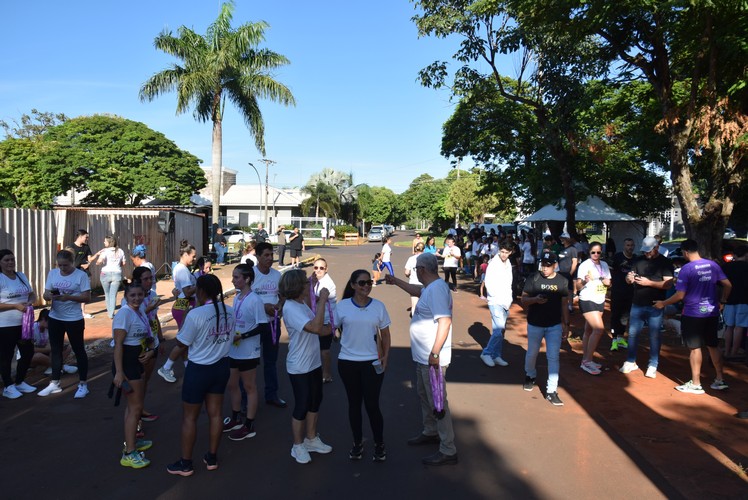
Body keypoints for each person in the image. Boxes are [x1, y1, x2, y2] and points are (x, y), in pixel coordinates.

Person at [385, 253, 458, 466]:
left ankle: (448, 449)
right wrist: (396, 281)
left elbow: (445, 322)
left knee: (438, 402)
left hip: (432, 359)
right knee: (424, 395)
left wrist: (435, 353)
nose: (415, 271)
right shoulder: (430, 288)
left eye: (417, 268)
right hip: (423, 358)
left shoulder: (437, 290)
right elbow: (418, 291)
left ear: (422, 270)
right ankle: (431, 431)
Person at [166, 274, 235, 476]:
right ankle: (211, 457)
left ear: (201, 291)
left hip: (199, 369)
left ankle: (186, 463)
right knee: (216, 413)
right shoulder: (229, 311)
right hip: (221, 366)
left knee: (190, 417)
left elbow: (181, 343)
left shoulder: (196, 314)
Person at [654, 239, 732, 394]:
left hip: (693, 314)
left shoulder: (686, 269)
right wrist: (722, 301)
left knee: (695, 348)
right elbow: (728, 285)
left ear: (685, 252)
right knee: (713, 345)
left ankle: (696, 384)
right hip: (711, 312)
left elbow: (680, 295)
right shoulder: (712, 265)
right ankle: (719, 379)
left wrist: (663, 303)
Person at [279, 269, 334, 464]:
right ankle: (297, 445)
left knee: (315, 400)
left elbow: (313, 317)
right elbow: (316, 327)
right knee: (302, 405)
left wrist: (312, 289)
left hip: (312, 363)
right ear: (297, 286)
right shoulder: (290, 308)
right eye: (304, 283)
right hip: (299, 366)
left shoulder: (301, 303)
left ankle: (311, 439)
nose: (307, 285)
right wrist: (322, 300)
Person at [336, 269, 391, 462]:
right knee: (354, 404)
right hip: (347, 363)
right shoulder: (341, 306)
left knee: (372, 405)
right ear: (352, 286)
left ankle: (379, 443)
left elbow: (385, 333)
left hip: (372, 363)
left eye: (369, 282)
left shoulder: (378, 306)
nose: (366, 286)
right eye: (362, 283)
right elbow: (331, 329)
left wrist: (385, 356)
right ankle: (357, 443)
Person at [112, 281, 155, 469]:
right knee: (136, 408)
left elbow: (145, 337)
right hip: (128, 364)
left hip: (137, 362)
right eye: (132, 296)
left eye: (140, 295)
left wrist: (150, 352)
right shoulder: (124, 313)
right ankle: (129, 452)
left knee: (133, 408)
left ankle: (132, 443)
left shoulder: (139, 311)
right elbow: (118, 345)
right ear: (125, 297)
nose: (137, 298)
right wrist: (119, 372)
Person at [223, 264, 269, 441]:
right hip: (234, 350)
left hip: (249, 351)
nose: (233, 280)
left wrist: (243, 336)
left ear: (247, 279)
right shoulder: (237, 298)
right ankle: (235, 418)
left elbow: (263, 326)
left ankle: (249, 424)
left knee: (249, 387)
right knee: (232, 385)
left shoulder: (255, 300)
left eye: (236, 277)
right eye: (233, 277)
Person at [619, 237, 674, 379]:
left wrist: (648, 283)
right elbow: (628, 278)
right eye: (645, 251)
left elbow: (668, 284)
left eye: (649, 251)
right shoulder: (638, 260)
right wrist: (629, 278)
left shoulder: (665, 262)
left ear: (656, 248)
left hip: (655, 304)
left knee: (654, 335)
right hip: (637, 302)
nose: (647, 254)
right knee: (632, 333)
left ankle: (653, 364)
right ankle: (631, 361)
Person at [39, 250, 92, 398]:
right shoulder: (53, 273)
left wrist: (68, 297)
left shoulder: (80, 275)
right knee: (55, 350)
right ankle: (55, 382)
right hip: (55, 317)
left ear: (72, 262)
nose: (62, 268)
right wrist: (48, 296)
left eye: (66, 265)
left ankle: (83, 384)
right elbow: (45, 293)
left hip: (74, 319)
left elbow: (87, 297)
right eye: (60, 265)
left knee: (78, 349)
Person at [521, 251, 570, 406]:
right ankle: (530, 375)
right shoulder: (533, 279)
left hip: (554, 325)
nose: (545, 268)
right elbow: (523, 300)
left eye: (548, 265)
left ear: (555, 265)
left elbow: (564, 304)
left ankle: (551, 390)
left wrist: (566, 324)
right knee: (532, 353)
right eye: (543, 264)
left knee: (553, 356)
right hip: (535, 323)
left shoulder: (562, 281)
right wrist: (535, 299)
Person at [157, 241, 197, 383]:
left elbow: (180, 291)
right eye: (193, 256)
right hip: (184, 305)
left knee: (185, 340)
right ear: (185, 254)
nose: (194, 259)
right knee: (184, 340)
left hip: (183, 305)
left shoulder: (181, 268)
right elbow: (186, 292)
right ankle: (166, 367)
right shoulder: (181, 269)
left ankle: (188, 368)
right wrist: (201, 285)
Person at [253, 242, 286, 408]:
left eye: (271, 255)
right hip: (254, 326)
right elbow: (243, 299)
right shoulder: (250, 275)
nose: (269, 258)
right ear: (257, 256)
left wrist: (279, 306)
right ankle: (246, 400)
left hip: (272, 325)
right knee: (250, 363)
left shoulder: (277, 275)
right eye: (265, 255)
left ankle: (271, 395)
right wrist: (263, 307)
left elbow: (282, 296)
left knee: (271, 362)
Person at [0, 249, 36, 399]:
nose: (10, 262)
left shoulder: (21, 276)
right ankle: (8, 386)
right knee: (6, 356)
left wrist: (30, 302)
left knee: (28, 352)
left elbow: (32, 294)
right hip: (5, 325)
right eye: (6, 260)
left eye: (12, 259)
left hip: (24, 324)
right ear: (0, 262)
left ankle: (20, 381)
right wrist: (14, 306)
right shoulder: (1, 278)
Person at [576, 242, 612, 375]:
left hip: (600, 299)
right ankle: (588, 361)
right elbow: (578, 286)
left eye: (598, 252)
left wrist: (607, 282)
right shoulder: (585, 265)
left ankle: (585, 359)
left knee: (589, 330)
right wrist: (585, 281)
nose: (596, 255)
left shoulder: (604, 265)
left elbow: (609, 282)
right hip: (587, 298)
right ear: (589, 252)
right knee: (598, 329)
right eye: (593, 252)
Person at [480, 241, 514, 368]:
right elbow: (488, 281)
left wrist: (508, 298)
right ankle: (487, 353)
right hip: (495, 301)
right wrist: (493, 297)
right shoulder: (493, 263)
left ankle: (496, 355)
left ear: (510, 253)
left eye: (507, 252)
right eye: (502, 252)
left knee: (501, 330)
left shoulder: (508, 263)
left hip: (506, 301)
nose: (504, 254)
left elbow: (509, 282)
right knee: (499, 330)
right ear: (499, 250)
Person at [311, 258, 337, 383]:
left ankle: (327, 374)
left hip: (326, 321)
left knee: (324, 350)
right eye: (316, 267)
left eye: (321, 268)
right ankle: (317, 372)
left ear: (326, 269)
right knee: (315, 348)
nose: (318, 270)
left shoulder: (327, 283)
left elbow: (314, 299)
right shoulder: (315, 280)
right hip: (316, 319)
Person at [28, 309, 77, 375]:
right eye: (49, 322)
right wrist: (47, 349)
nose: (51, 324)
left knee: (67, 348)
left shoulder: (49, 329)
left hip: (45, 353)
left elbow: (51, 343)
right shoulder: (32, 329)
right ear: (43, 319)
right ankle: (61, 367)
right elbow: (29, 349)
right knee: (38, 356)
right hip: (30, 356)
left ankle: (51, 368)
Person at [721, 245, 748, 358]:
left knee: (729, 326)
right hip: (744, 300)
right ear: (746, 255)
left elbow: (720, 283)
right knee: (739, 327)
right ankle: (734, 352)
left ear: (734, 255)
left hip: (729, 300)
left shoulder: (727, 267)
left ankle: (727, 351)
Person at [609, 238, 635, 351]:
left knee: (625, 316)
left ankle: (620, 338)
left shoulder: (636, 259)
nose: (629, 247)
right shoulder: (617, 257)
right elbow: (609, 271)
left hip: (630, 292)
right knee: (615, 314)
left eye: (631, 245)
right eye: (628, 245)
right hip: (617, 291)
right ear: (624, 246)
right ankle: (614, 339)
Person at [96, 235, 126, 319]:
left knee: (107, 294)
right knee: (113, 294)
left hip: (105, 273)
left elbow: (99, 262)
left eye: (105, 241)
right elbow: (123, 263)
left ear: (109, 242)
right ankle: (111, 313)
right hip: (117, 273)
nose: (104, 242)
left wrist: (98, 261)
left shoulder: (105, 251)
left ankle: (109, 312)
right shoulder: (120, 251)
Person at [71, 229, 98, 318]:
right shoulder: (71, 247)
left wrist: (96, 255)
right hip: (73, 273)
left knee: (84, 292)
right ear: (80, 236)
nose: (87, 239)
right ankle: (73, 311)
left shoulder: (86, 247)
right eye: (86, 237)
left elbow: (89, 259)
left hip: (84, 273)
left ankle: (83, 312)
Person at [557, 232, 579, 318]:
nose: (562, 240)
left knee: (569, 290)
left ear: (567, 239)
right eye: (561, 238)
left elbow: (574, 262)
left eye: (563, 238)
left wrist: (570, 273)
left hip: (568, 273)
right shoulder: (561, 249)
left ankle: (570, 306)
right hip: (560, 272)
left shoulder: (573, 249)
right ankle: (561, 305)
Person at [404, 243, 424, 313]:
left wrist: (408, 275)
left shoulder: (411, 259)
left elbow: (406, 272)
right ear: (424, 249)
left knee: (414, 304)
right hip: (424, 283)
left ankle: (414, 319)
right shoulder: (427, 259)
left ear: (415, 249)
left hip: (413, 283)